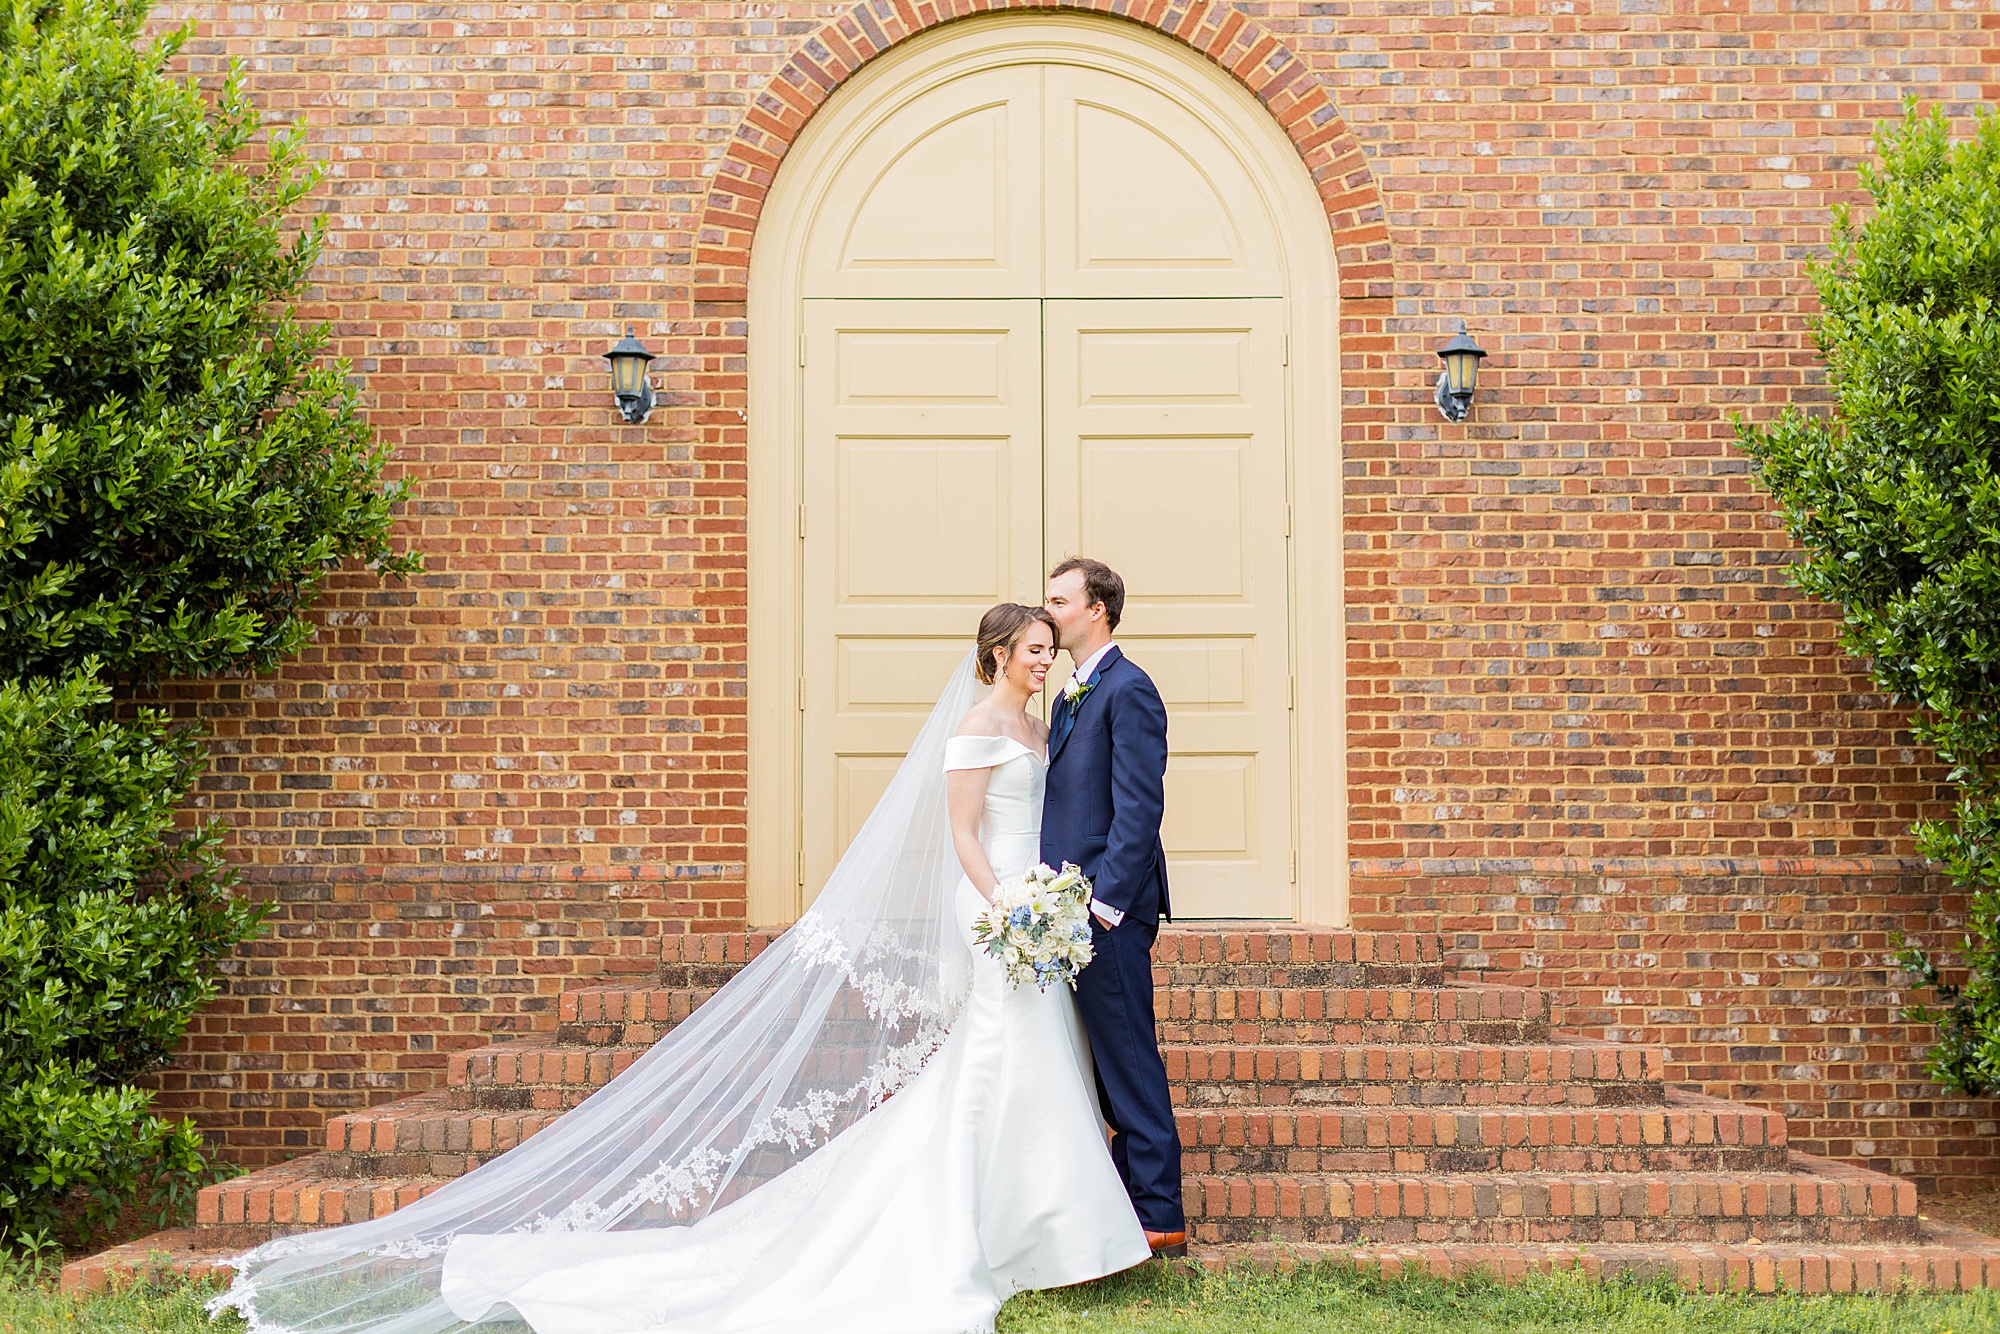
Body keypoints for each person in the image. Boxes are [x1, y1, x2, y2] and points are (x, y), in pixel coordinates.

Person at [208, 603, 1151, 1334]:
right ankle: (1004, 1233)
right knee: (999, 1057)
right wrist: (1009, 907)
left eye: (1048, 648)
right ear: (996, 656)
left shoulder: (1043, 726)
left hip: (1033, 910)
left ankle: (1039, 1230)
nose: (1044, 659)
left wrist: (1044, 901)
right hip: (997, 910)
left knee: (1028, 1057)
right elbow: (961, 836)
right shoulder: (976, 728)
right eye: (1032, 649)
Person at [1041, 557, 1185, 1256]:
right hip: (1069, 914)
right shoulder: (1070, 695)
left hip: (1107, 915)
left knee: (1128, 1059)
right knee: (1106, 1067)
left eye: (1059, 601)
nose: (1048, 612)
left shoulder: (1130, 689)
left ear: (1096, 609)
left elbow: (1138, 806)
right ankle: (1129, 1203)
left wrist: (1105, 905)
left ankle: (1161, 1214)